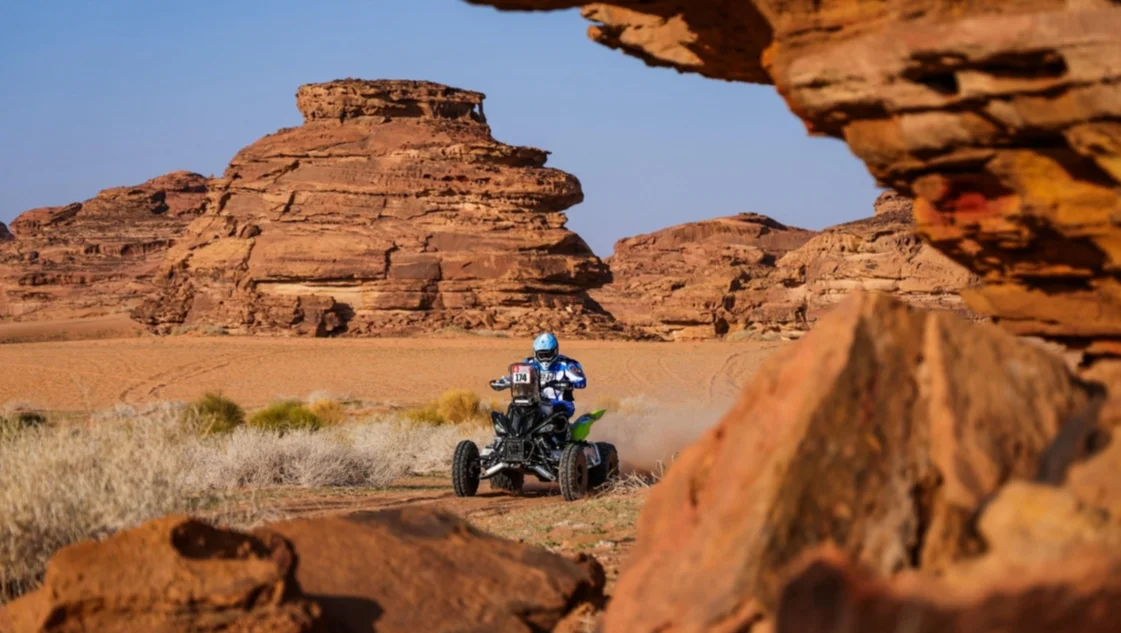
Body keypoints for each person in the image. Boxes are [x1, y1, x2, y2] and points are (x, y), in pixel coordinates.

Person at [491, 332, 587, 420]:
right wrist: (504, 381)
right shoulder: (530, 363)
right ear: (535, 353)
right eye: (541, 355)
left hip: (560, 402)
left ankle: (562, 432)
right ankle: (508, 429)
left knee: (557, 415)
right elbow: (519, 376)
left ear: (555, 351)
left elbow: (581, 381)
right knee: (515, 407)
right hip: (534, 401)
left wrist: (567, 384)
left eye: (548, 355)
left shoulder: (567, 364)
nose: (545, 359)